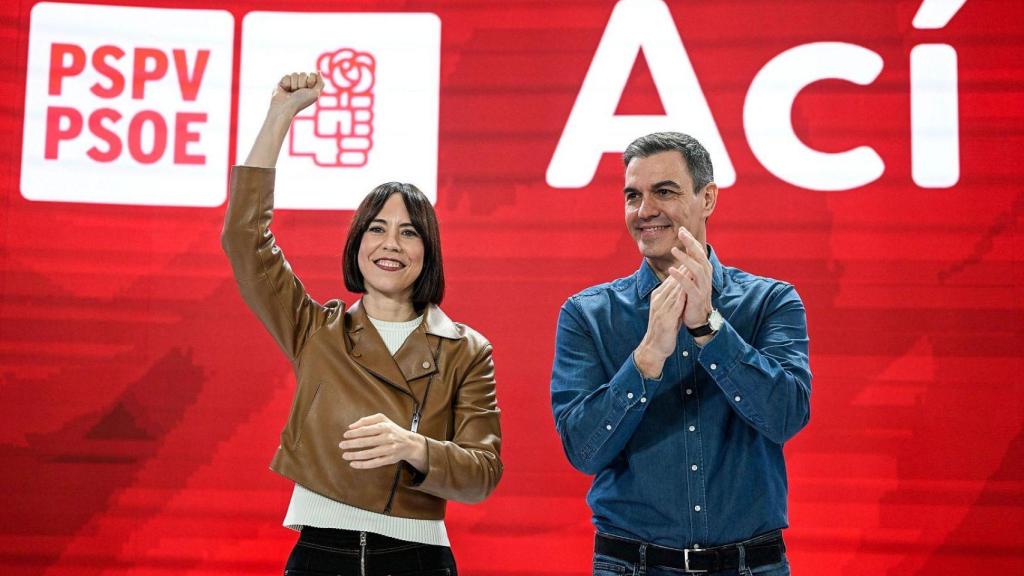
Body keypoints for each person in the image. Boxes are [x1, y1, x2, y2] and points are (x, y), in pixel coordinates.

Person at [222, 72, 502, 575]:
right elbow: (245, 239)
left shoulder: (466, 350)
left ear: (429, 252)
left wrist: (412, 446)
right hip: (319, 554)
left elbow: (482, 473)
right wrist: (280, 115)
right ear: (356, 246)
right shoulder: (314, 329)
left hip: (417, 556)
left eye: (409, 233)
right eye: (376, 229)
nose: (390, 244)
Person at [550, 132, 811, 575]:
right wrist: (646, 360)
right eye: (633, 196)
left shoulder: (771, 302)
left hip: (750, 565)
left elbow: (786, 416)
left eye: (664, 192)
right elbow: (583, 452)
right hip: (633, 565)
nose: (644, 210)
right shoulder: (587, 315)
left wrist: (710, 329)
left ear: (707, 198)